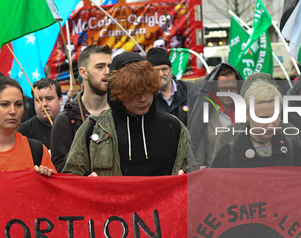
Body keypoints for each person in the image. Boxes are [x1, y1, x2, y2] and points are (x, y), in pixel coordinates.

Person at [62, 52, 191, 177]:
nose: (142, 99)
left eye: (147, 90)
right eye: (133, 93)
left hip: (164, 198)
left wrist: (186, 176)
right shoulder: (95, 128)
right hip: (109, 198)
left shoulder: (174, 127)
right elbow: (70, 178)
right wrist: (86, 184)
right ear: (118, 93)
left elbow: (194, 176)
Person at [212, 80, 301, 168]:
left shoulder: (292, 150)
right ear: (246, 114)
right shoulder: (228, 154)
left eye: (276, 117)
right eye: (263, 118)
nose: (270, 125)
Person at [50, 45, 112, 173]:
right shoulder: (66, 119)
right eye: (100, 67)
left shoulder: (121, 112)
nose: (107, 71)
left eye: (110, 66)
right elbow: (60, 172)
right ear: (83, 73)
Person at [188, 63, 244, 167]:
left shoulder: (247, 113)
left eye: (232, 89)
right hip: (216, 177)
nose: (228, 93)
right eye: (223, 89)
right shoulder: (205, 116)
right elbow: (198, 160)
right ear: (215, 89)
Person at [146, 47, 199, 126]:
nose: (161, 74)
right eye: (156, 70)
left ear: (171, 70)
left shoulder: (190, 90)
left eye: (164, 69)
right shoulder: (145, 96)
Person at [17, 78, 62, 149]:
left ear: (60, 99)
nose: (44, 104)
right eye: (39, 100)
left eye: (49, 98)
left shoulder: (71, 125)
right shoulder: (23, 131)